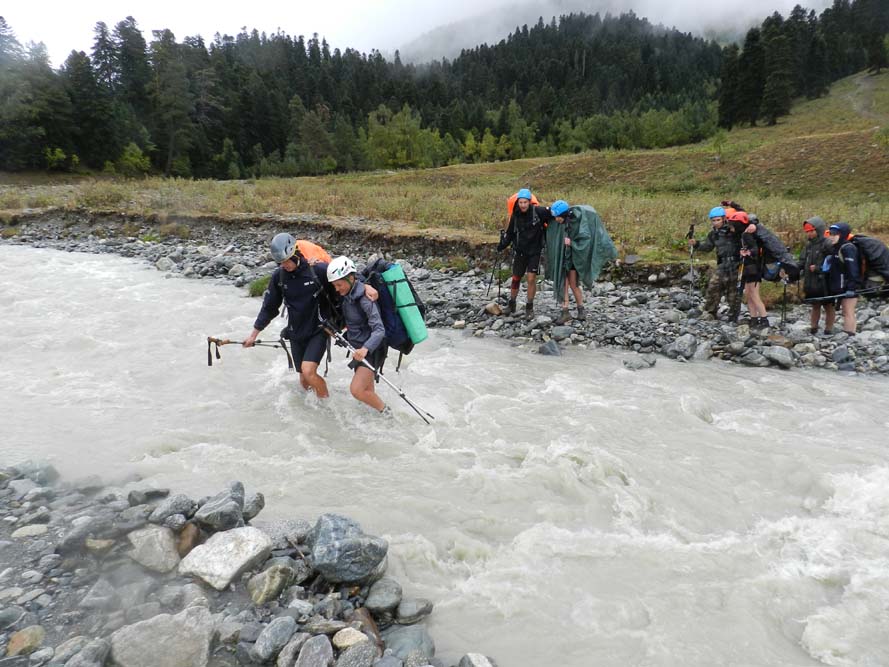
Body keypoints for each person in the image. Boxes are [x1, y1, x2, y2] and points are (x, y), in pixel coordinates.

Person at [243, 233, 336, 398]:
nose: (284, 265)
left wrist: (365, 288)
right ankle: (312, 411)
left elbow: (344, 285)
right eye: (280, 262)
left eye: (286, 260)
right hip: (295, 332)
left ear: (294, 253)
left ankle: (326, 406)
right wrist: (253, 335)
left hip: (319, 330)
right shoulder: (279, 277)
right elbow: (269, 307)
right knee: (303, 378)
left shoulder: (318, 271)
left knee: (309, 371)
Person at [326, 256, 389, 413]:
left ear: (350, 278)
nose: (337, 289)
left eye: (339, 285)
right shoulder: (347, 296)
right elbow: (356, 326)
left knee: (357, 390)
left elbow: (379, 330)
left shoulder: (366, 300)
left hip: (373, 350)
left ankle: (388, 415)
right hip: (359, 349)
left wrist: (365, 349)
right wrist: (341, 335)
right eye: (334, 285)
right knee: (367, 391)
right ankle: (377, 418)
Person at [545, 200, 618, 325]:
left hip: (572, 259)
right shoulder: (562, 222)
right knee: (568, 283)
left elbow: (584, 241)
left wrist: (571, 243)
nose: (556, 219)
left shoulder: (576, 223)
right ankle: (573, 310)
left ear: (563, 215)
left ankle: (572, 311)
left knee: (570, 284)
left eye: (557, 217)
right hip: (566, 258)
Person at [497, 188, 553, 318]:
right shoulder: (515, 215)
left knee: (531, 278)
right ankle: (512, 304)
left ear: (529, 202)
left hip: (535, 251)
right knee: (516, 278)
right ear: (518, 203)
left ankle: (529, 307)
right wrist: (502, 245)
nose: (522, 205)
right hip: (520, 251)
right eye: (520, 202)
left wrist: (568, 214)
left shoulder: (539, 211)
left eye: (525, 202)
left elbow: (555, 214)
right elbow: (510, 233)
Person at [688, 206, 741, 321]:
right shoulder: (713, 234)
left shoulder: (733, 231)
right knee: (714, 286)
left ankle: (733, 315)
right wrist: (696, 244)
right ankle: (710, 312)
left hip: (736, 264)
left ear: (724, 219)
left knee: (733, 291)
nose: (716, 222)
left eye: (718, 220)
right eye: (713, 220)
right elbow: (707, 247)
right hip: (722, 265)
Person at [726, 210, 769, 329]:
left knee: (754, 295)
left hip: (753, 269)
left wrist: (747, 252)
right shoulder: (741, 235)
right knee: (749, 295)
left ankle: (764, 319)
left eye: (733, 225)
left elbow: (755, 250)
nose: (731, 227)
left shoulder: (746, 235)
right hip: (746, 268)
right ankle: (754, 319)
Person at [799, 216, 835, 334]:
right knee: (815, 305)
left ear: (818, 230)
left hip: (825, 282)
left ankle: (828, 329)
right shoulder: (808, 246)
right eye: (807, 232)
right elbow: (802, 261)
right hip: (811, 281)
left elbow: (833, 262)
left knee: (828, 305)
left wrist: (819, 269)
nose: (809, 234)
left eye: (811, 231)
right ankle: (813, 327)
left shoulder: (828, 244)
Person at [825, 222, 861, 336]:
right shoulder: (836, 248)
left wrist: (851, 288)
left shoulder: (848, 248)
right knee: (845, 311)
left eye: (834, 234)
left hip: (850, 287)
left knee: (848, 311)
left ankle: (850, 336)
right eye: (830, 233)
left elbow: (853, 270)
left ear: (842, 234)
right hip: (842, 287)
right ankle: (848, 335)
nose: (831, 236)